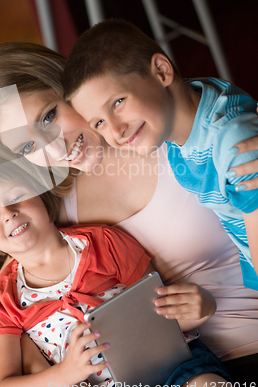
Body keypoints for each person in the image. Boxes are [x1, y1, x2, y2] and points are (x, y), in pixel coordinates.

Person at [0, 42, 258, 387]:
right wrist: (56, 376)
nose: (56, 149)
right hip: (157, 367)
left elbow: (230, 124)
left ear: (73, 86)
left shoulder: (159, 119)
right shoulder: (53, 203)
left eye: (49, 116)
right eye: (28, 147)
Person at [0, 165, 238, 387]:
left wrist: (202, 308)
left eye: (16, 195)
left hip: (167, 369)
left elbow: (162, 313)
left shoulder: (103, 243)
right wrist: (65, 374)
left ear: (42, 196)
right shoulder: (0, 303)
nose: (8, 213)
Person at [62, 19, 258, 292]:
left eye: (118, 102)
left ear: (162, 71)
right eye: (98, 123)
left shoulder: (235, 148)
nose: (116, 131)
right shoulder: (193, 108)